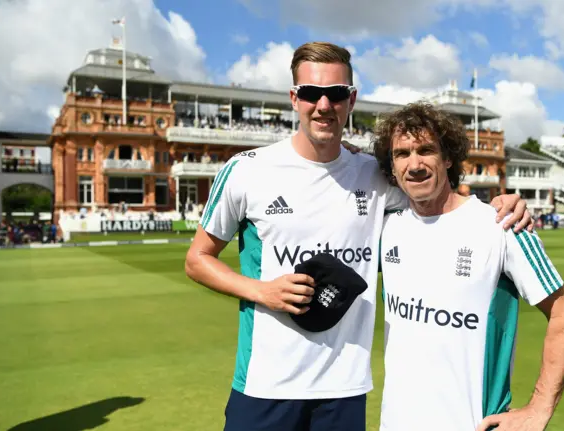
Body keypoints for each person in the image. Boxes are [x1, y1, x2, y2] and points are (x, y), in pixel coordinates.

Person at [184, 42, 532, 431]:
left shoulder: (374, 174)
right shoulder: (247, 171)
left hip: (344, 390)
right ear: (294, 98)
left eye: (334, 94)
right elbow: (197, 259)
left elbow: (436, 191)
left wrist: (499, 205)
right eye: (311, 93)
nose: (323, 105)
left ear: (350, 100)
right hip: (266, 385)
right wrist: (260, 291)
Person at [373, 102, 564, 431]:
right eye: (402, 153)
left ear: (448, 157)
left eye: (426, 150)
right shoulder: (385, 229)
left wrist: (539, 407)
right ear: (392, 165)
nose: (414, 164)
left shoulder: (503, 224)